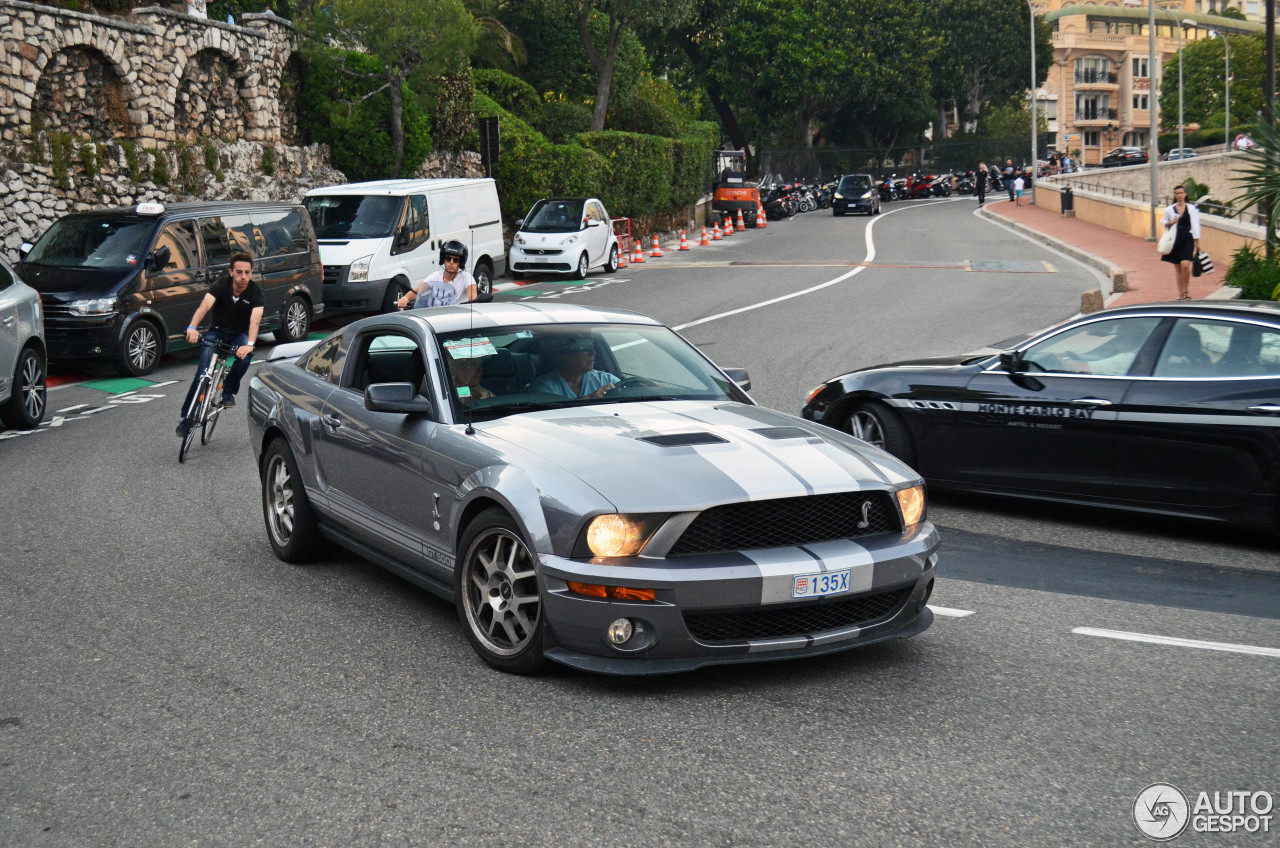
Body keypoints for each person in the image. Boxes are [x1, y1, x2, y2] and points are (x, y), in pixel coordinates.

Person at [176, 251, 262, 437]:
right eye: (239, 272)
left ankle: (228, 391)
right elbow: (204, 306)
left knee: (245, 357)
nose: (243, 277)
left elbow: (255, 321)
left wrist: (249, 344)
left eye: (247, 272)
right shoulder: (220, 286)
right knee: (202, 375)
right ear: (231, 272)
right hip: (217, 332)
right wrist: (192, 327)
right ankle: (186, 419)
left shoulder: (255, 292)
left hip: (240, 334)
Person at [526, 335, 619, 399]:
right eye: (584, 348)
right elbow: (547, 414)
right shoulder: (544, 386)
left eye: (592, 348)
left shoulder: (606, 379)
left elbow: (627, 389)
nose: (593, 353)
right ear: (566, 355)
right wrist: (590, 398)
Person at [396, 240, 477, 309]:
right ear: (443, 259)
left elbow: (473, 297)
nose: (451, 262)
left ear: (460, 263)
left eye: (455, 260)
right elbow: (418, 290)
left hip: (456, 317)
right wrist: (405, 298)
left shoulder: (466, 277)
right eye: (448, 259)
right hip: (435, 316)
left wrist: (473, 302)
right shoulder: (435, 276)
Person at [1160, 184, 1201, 300]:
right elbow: (1163, 221)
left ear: (1185, 194)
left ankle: (1186, 289)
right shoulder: (1169, 209)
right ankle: (1180, 293)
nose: (1179, 195)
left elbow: (1196, 225)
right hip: (1175, 240)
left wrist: (1197, 243)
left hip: (1188, 239)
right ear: (1175, 195)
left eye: (1181, 193)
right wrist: (1170, 222)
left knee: (1185, 265)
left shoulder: (1192, 209)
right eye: (1177, 193)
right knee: (1177, 267)